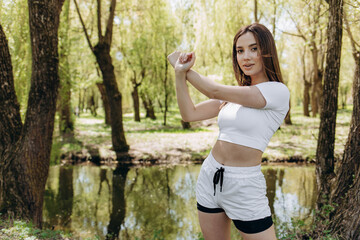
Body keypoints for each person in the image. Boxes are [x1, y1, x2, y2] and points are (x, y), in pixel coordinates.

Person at [167, 23, 289, 240]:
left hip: (245, 186)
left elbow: (212, 89)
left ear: (266, 52)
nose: (246, 57)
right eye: (239, 51)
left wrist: (186, 68)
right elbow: (190, 113)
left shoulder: (277, 92)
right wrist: (179, 73)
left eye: (254, 49)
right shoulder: (235, 95)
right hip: (210, 177)